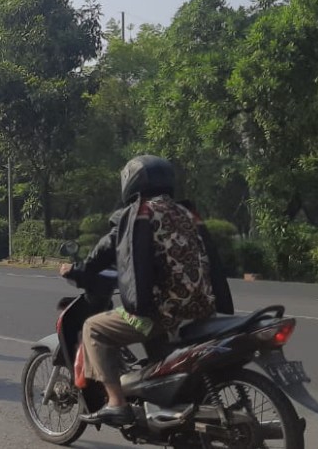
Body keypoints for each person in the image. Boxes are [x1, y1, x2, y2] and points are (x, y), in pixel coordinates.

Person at [60, 155, 234, 427]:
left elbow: (103, 252)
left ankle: (116, 402)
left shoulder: (137, 213)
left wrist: (77, 270)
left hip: (162, 312)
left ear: (130, 182)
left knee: (93, 328)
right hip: (201, 307)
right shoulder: (186, 212)